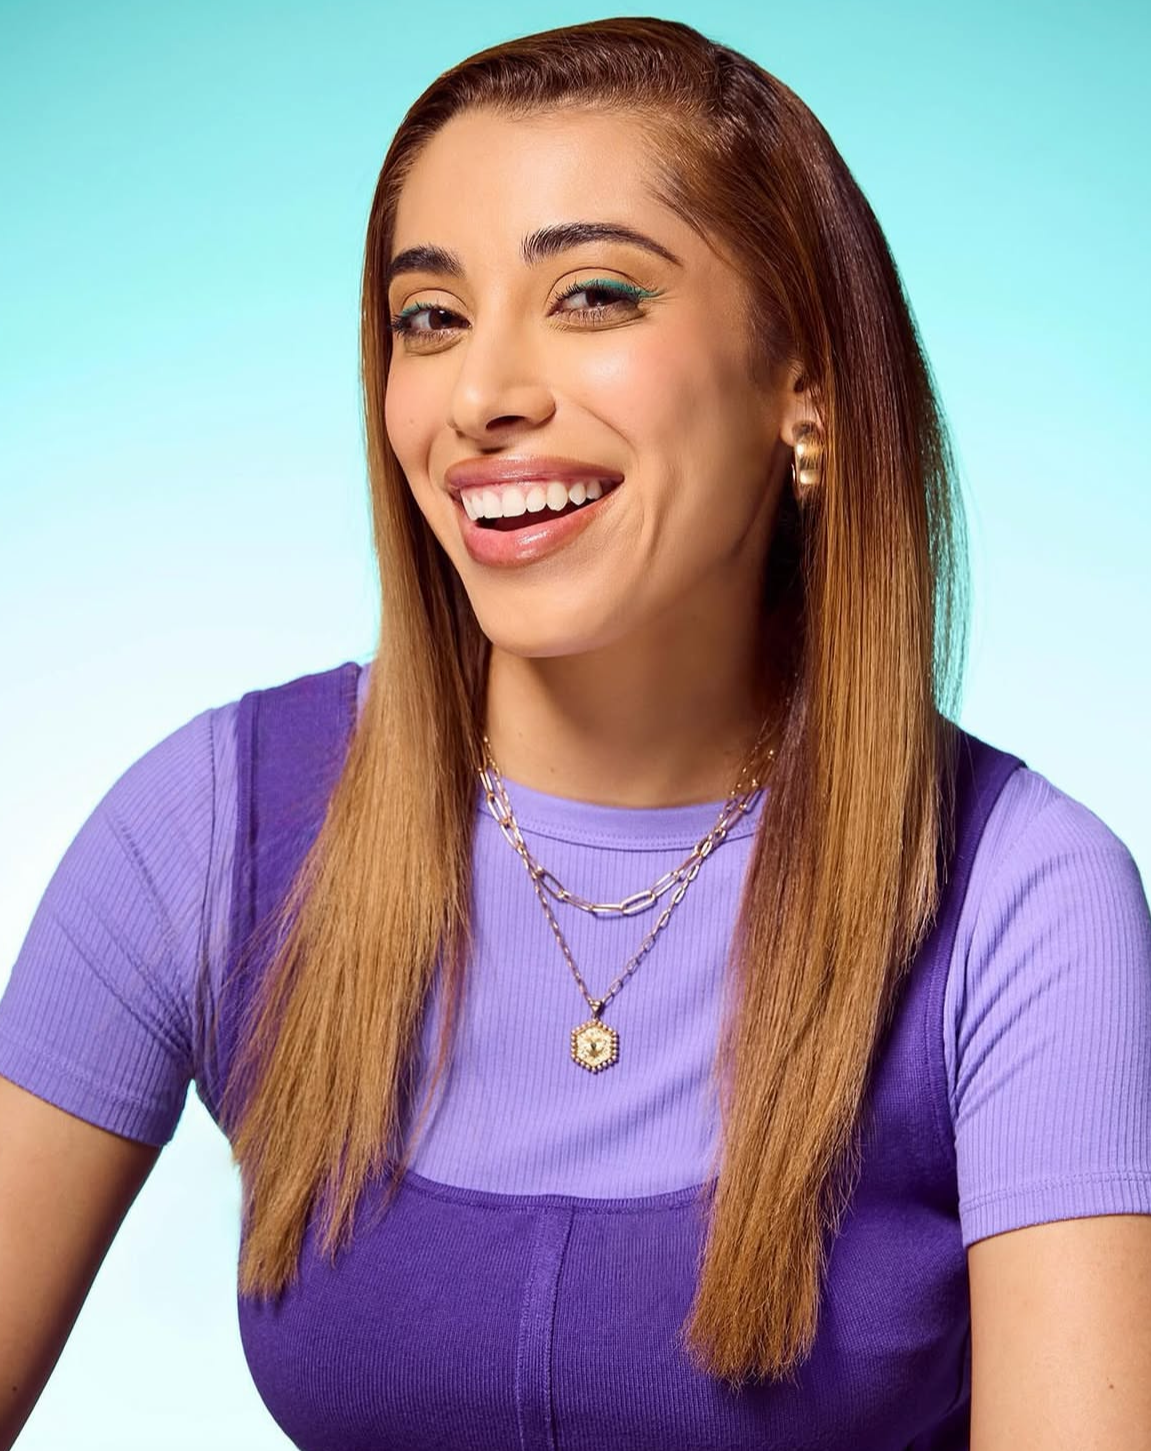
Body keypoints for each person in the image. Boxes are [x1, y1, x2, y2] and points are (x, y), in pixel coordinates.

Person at [2, 15, 1149, 1449]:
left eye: (594, 296)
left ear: (803, 385)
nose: (483, 395)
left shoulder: (1023, 901)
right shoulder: (208, 828)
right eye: (431, 317)